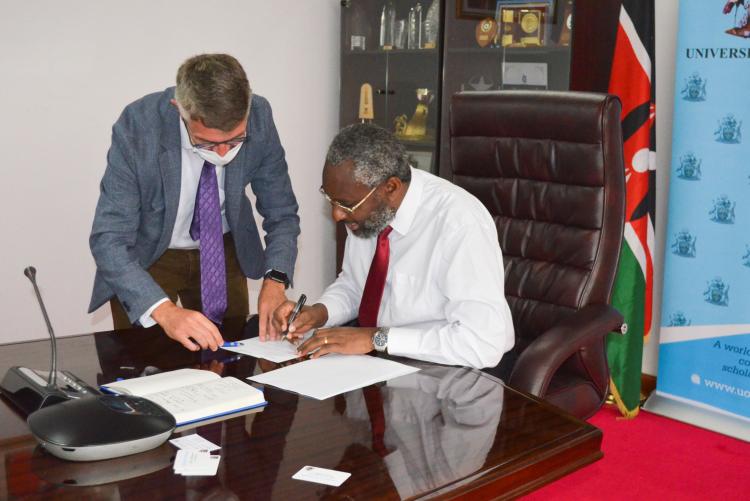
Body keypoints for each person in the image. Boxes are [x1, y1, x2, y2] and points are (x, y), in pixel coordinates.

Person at [89, 54, 299, 352]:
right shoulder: (138, 125)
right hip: (150, 254)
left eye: (236, 140)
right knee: (144, 361)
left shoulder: (260, 116)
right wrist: (164, 311)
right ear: (180, 109)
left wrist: (275, 279)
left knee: (229, 354)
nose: (224, 152)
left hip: (223, 248)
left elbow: (282, 212)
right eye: (208, 143)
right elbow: (108, 238)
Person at [273, 123, 513, 369]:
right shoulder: (368, 212)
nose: (337, 215)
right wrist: (319, 313)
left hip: (451, 373)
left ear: (391, 188)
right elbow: (357, 285)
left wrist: (375, 338)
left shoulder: (458, 224)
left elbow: (482, 344)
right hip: (384, 363)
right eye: (331, 199)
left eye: (346, 204)